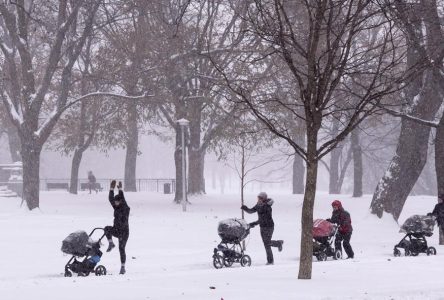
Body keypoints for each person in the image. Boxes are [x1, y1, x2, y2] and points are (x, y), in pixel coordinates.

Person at [241, 192, 283, 265]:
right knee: (266, 243)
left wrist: (253, 223)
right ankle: (278, 243)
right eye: (258, 198)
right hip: (262, 227)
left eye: (260, 198)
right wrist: (245, 208)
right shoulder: (258, 205)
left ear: (263, 199)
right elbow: (251, 211)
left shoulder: (267, 207)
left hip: (269, 226)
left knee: (267, 243)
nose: (258, 200)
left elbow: (263, 219)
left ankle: (270, 261)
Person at [105, 180, 130, 274]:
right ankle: (111, 243)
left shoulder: (125, 208)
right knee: (106, 229)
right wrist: (111, 189)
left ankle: (123, 267)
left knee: (121, 248)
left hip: (124, 233)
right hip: (116, 229)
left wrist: (120, 190)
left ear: (120, 201)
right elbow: (110, 198)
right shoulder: (116, 206)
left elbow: (123, 198)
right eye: (115, 202)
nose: (115, 203)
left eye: (117, 202)